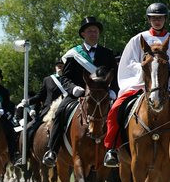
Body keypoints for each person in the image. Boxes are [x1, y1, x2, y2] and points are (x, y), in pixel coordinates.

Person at [103, 2, 170, 168]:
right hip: (141, 85)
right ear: (149, 19)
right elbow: (128, 64)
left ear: (165, 19)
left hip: (169, 87)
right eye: (154, 18)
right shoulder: (137, 40)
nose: (157, 21)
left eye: (160, 18)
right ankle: (112, 148)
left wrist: (165, 71)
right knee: (115, 109)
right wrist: (148, 69)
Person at [42, 16, 118, 165]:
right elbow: (65, 78)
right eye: (90, 31)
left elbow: (115, 76)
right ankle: (52, 150)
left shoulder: (108, 53)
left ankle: (112, 151)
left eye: (95, 31)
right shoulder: (74, 54)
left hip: (102, 95)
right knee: (60, 112)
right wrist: (74, 89)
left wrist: (113, 91)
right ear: (83, 34)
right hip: (78, 94)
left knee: (117, 114)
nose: (93, 34)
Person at [18, 60, 68, 149]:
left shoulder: (70, 79)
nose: (60, 67)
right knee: (29, 129)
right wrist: (28, 101)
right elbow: (40, 95)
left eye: (62, 66)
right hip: (49, 110)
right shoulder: (48, 79)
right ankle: (25, 154)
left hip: (66, 108)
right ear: (55, 67)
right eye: (58, 66)